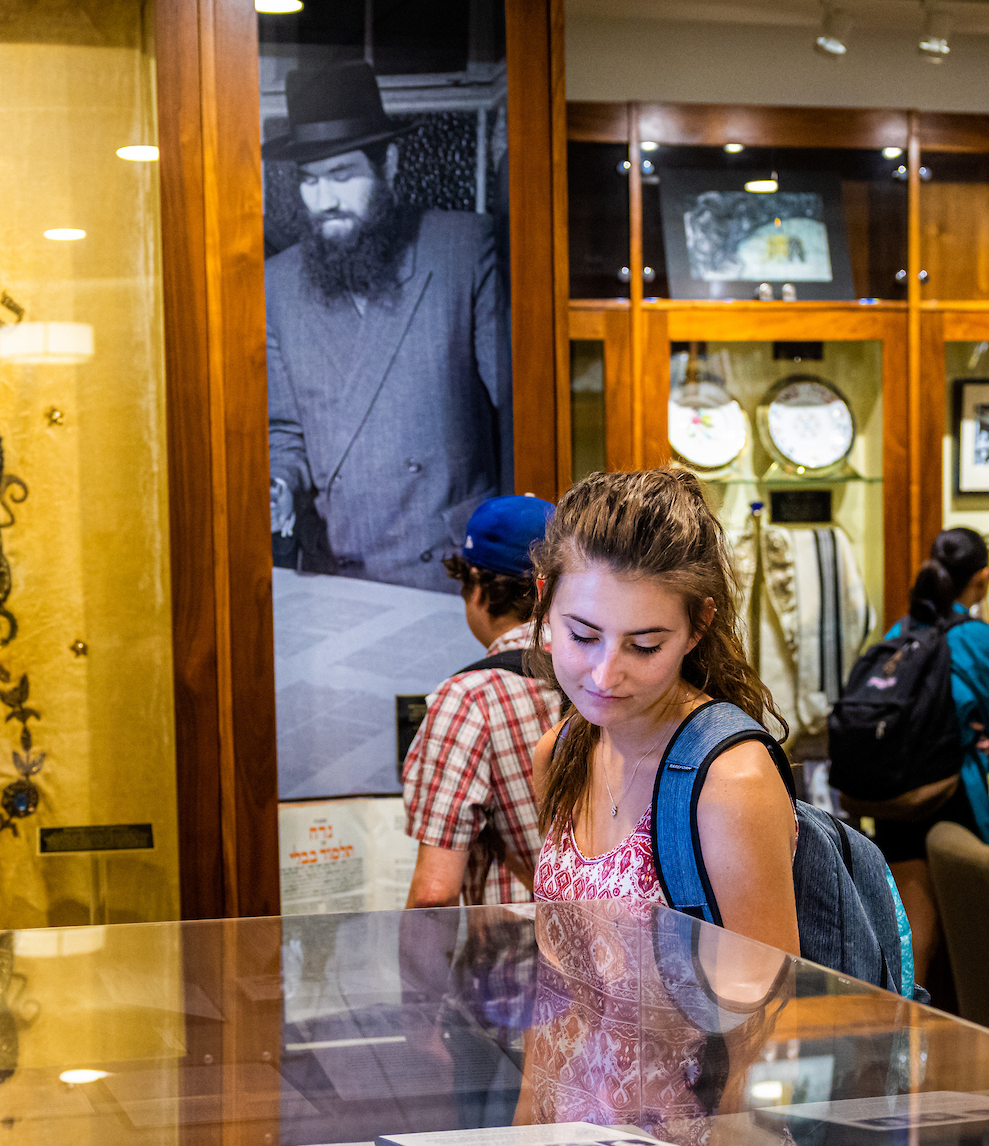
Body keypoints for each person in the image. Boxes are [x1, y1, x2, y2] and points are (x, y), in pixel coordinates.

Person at [524, 467, 801, 958]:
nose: (605, 675)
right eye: (583, 637)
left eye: (645, 646)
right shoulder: (562, 749)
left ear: (698, 626)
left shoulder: (730, 783)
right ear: (545, 601)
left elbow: (766, 1014)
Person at [265, 60, 504, 591]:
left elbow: (516, 411)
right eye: (310, 181)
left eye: (343, 175)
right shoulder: (278, 283)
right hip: (337, 572)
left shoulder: (460, 248)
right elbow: (285, 432)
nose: (323, 201)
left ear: (388, 164)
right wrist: (279, 483)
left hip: (454, 573)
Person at [870, 528, 989, 986]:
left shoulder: (902, 629)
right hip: (956, 798)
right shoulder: (978, 639)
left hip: (898, 799)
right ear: (984, 578)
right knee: (980, 942)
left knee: (911, 934)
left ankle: (904, 1035)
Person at [403, 495, 561, 907]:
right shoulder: (608, 680)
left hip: (516, 964)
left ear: (475, 583)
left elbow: (433, 894)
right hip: (623, 959)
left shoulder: (470, 699)